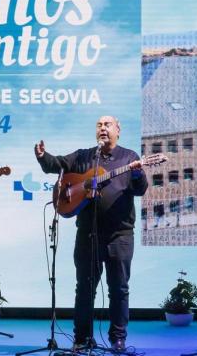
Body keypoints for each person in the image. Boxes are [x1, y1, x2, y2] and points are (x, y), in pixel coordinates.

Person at [35, 115, 147, 353]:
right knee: (84, 288)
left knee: (119, 288)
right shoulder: (84, 155)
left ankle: (118, 339)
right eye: (99, 125)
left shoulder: (129, 158)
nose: (103, 128)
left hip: (120, 234)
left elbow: (140, 189)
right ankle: (82, 338)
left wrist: (137, 174)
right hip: (87, 233)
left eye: (107, 125)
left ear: (118, 130)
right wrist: (44, 157)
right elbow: (57, 164)